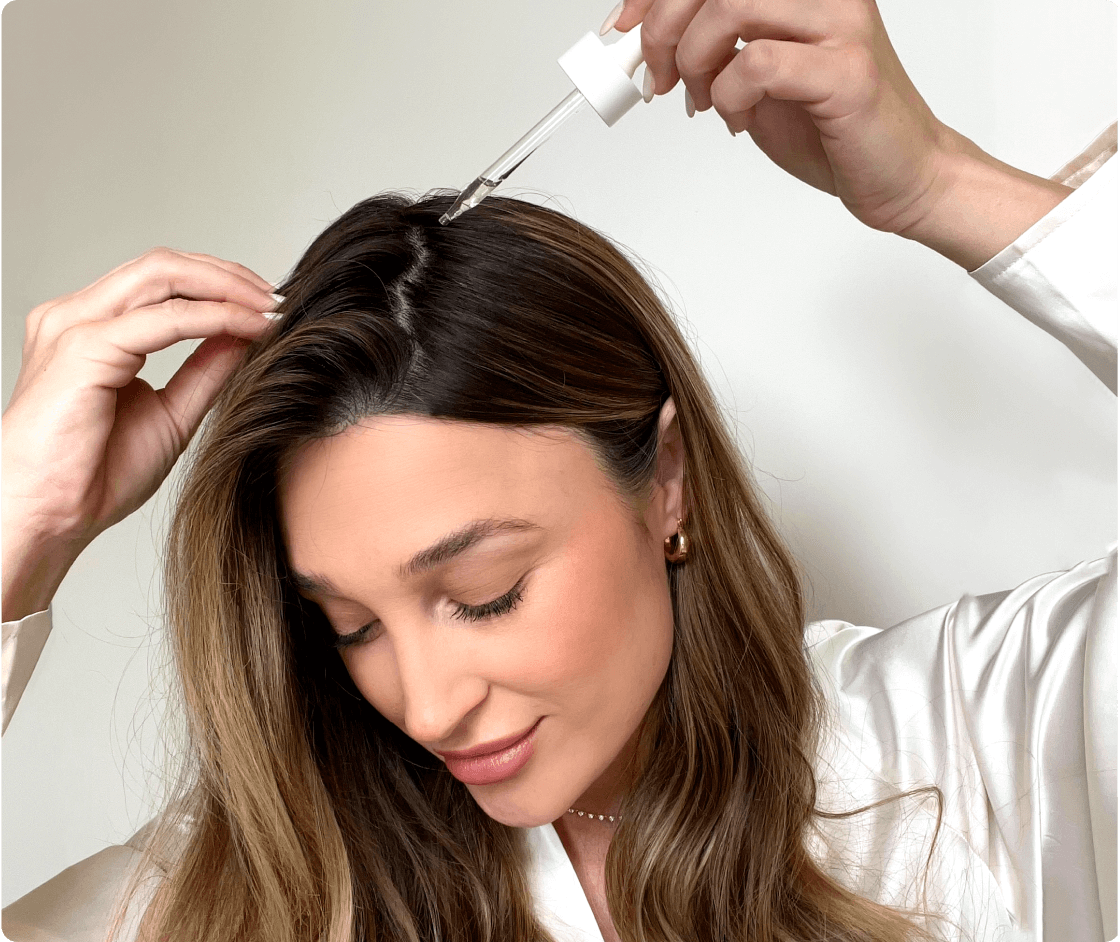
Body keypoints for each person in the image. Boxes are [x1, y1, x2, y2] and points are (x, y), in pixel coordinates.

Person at [1, 0, 1115, 939]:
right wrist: (18, 541)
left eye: (484, 594)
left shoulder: (980, 740)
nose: (428, 707)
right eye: (350, 626)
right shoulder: (252, 893)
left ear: (665, 480)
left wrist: (941, 185)